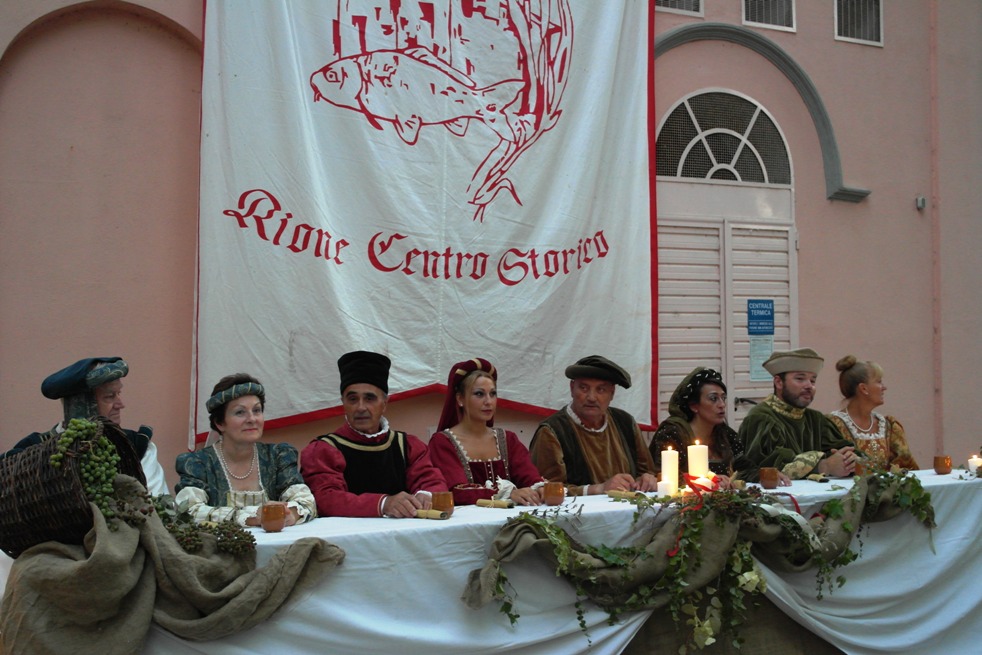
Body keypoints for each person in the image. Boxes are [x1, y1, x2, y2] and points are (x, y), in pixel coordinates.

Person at [300, 351, 447, 518]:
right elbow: (326, 499)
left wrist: (426, 495)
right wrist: (384, 504)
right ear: (343, 403)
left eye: (369, 398)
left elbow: (432, 480)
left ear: (384, 404)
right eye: (353, 399)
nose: (361, 407)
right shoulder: (324, 450)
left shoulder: (407, 445)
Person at [2, 356, 169, 495]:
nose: (120, 404)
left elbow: (158, 507)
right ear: (80, 404)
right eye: (109, 396)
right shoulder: (33, 449)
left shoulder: (136, 446)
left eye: (119, 393)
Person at [175, 373, 316, 526]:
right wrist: (252, 517)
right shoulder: (197, 463)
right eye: (240, 412)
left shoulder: (278, 456)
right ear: (220, 423)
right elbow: (188, 511)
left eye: (257, 410)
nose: (252, 419)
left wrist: (289, 515)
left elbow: (306, 502)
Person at [528, 355, 657, 496]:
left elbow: (646, 471)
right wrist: (598, 489)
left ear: (612, 393)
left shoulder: (625, 422)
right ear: (572, 388)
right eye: (584, 388)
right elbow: (545, 489)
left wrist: (646, 479)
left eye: (601, 390)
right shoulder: (553, 431)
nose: (591, 397)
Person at [428, 358, 545, 506]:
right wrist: (507, 494)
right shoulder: (443, 442)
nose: (488, 401)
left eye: (493, 393)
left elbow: (529, 475)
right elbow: (456, 491)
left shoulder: (507, 439)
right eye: (479, 394)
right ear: (460, 399)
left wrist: (540, 488)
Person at [738, 348, 857, 481]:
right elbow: (754, 471)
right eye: (800, 379)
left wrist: (850, 459)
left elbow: (842, 449)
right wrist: (824, 466)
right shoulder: (761, 418)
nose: (809, 386)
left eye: (813, 381)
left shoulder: (816, 419)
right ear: (778, 382)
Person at [648, 367, 747, 488]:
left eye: (723, 398)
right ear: (694, 406)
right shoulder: (672, 432)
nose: (722, 405)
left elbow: (745, 468)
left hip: (721, 501)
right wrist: (709, 481)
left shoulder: (725, 433)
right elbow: (664, 476)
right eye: (713, 399)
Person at [827, 355, 919, 471]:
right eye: (879, 382)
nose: (884, 387)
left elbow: (906, 468)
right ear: (864, 388)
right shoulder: (832, 425)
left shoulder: (889, 426)